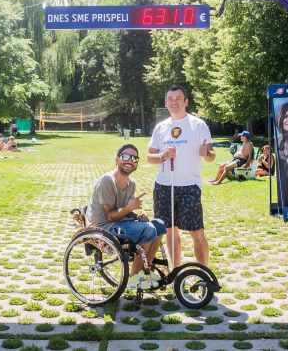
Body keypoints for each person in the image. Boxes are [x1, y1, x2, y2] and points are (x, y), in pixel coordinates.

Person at [148, 85, 215, 268]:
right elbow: (149, 157)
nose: (174, 102)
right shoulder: (160, 127)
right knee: (170, 232)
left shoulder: (198, 125)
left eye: (178, 98)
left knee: (197, 232)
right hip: (164, 186)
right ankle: (176, 271)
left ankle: (204, 274)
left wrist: (206, 153)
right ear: (165, 102)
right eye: (170, 99)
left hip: (189, 186)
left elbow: (211, 156)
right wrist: (163, 155)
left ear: (186, 101)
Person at [84, 144, 166, 289]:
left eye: (134, 158)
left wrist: (137, 216)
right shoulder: (107, 181)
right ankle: (134, 278)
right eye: (126, 156)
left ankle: (145, 272)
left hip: (119, 221)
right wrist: (129, 208)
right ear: (117, 159)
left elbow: (123, 211)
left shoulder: (131, 184)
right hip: (103, 226)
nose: (130, 160)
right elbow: (110, 216)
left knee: (158, 225)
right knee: (147, 229)